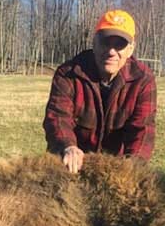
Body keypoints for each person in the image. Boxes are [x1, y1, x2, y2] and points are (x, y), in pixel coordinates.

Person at [43, 10, 156, 173]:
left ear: (131, 49)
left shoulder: (143, 79)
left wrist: (134, 165)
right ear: (94, 43)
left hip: (115, 168)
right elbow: (58, 117)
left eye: (120, 45)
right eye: (105, 42)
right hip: (71, 165)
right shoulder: (68, 73)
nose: (111, 51)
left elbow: (143, 129)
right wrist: (67, 146)